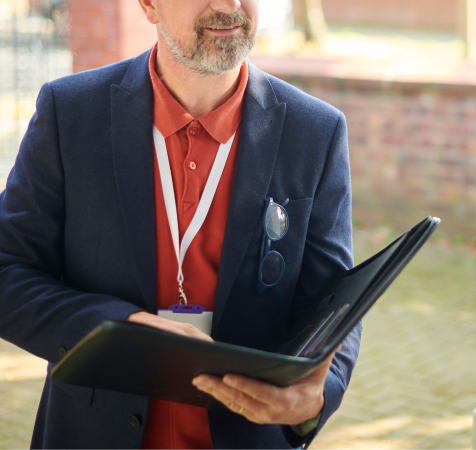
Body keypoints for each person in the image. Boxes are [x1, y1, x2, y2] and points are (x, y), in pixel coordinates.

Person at [0, 0, 361, 448]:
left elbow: (336, 304)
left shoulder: (316, 132)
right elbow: (8, 270)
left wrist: (314, 399)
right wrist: (117, 329)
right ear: (149, 5)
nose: (229, 6)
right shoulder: (70, 112)